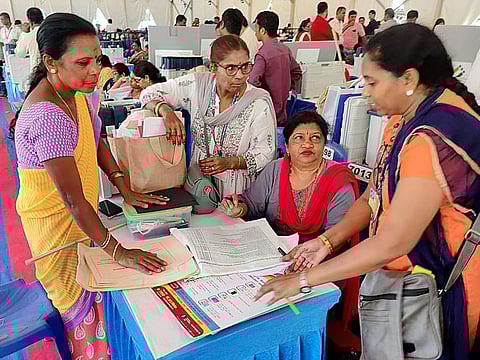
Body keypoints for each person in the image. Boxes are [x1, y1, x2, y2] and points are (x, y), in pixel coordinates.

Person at [256, 23, 480, 358]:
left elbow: (395, 241)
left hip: (442, 288)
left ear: (408, 80)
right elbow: (372, 196)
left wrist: (304, 280)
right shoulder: (404, 118)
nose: (364, 91)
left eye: (372, 82)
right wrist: (327, 241)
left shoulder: (429, 138)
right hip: (407, 281)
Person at [12, 13, 168, 359]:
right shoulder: (47, 117)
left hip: (82, 220)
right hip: (58, 231)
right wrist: (118, 251)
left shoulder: (75, 92)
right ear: (50, 62)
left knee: (105, 303)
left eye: (96, 59)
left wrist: (121, 185)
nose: (95, 70)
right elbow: (71, 200)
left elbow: (93, 135)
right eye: (82, 62)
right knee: (82, 317)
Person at [140, 35, 276, 197]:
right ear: (213, 67)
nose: (240, 75)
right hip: (198, 182)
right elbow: (148, 93)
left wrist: (230, 162)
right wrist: (165, 111)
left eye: (245, 67)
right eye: (231, 68)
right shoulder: (197, 86)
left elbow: (265, 152)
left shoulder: (258, 102)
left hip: (237, 190)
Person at [220, 110, 357, 243]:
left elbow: (338, 235)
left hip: (319, 256)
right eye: (299, 138)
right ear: (287, 147)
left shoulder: (339, 180)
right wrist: (239, 209)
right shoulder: (275, 170)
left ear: (324, 145)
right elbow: (251, 205)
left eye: (315, 138)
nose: (307, 144)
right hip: (274, 248)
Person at [249, 11, 302, 126]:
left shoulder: (262, 54)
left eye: (257, 28)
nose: (255, 32)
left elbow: (253, 81)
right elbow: (297, 72)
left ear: (262, 30)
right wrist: (286, 87)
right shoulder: (285, 49)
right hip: (282, 113)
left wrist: (264, 94)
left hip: (266, 114)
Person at [15, 7, 44, 74]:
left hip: (38, 69)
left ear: (30, 21)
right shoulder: (50, 31)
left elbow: (20, 53)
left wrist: (24, 33)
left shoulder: (29, 35)